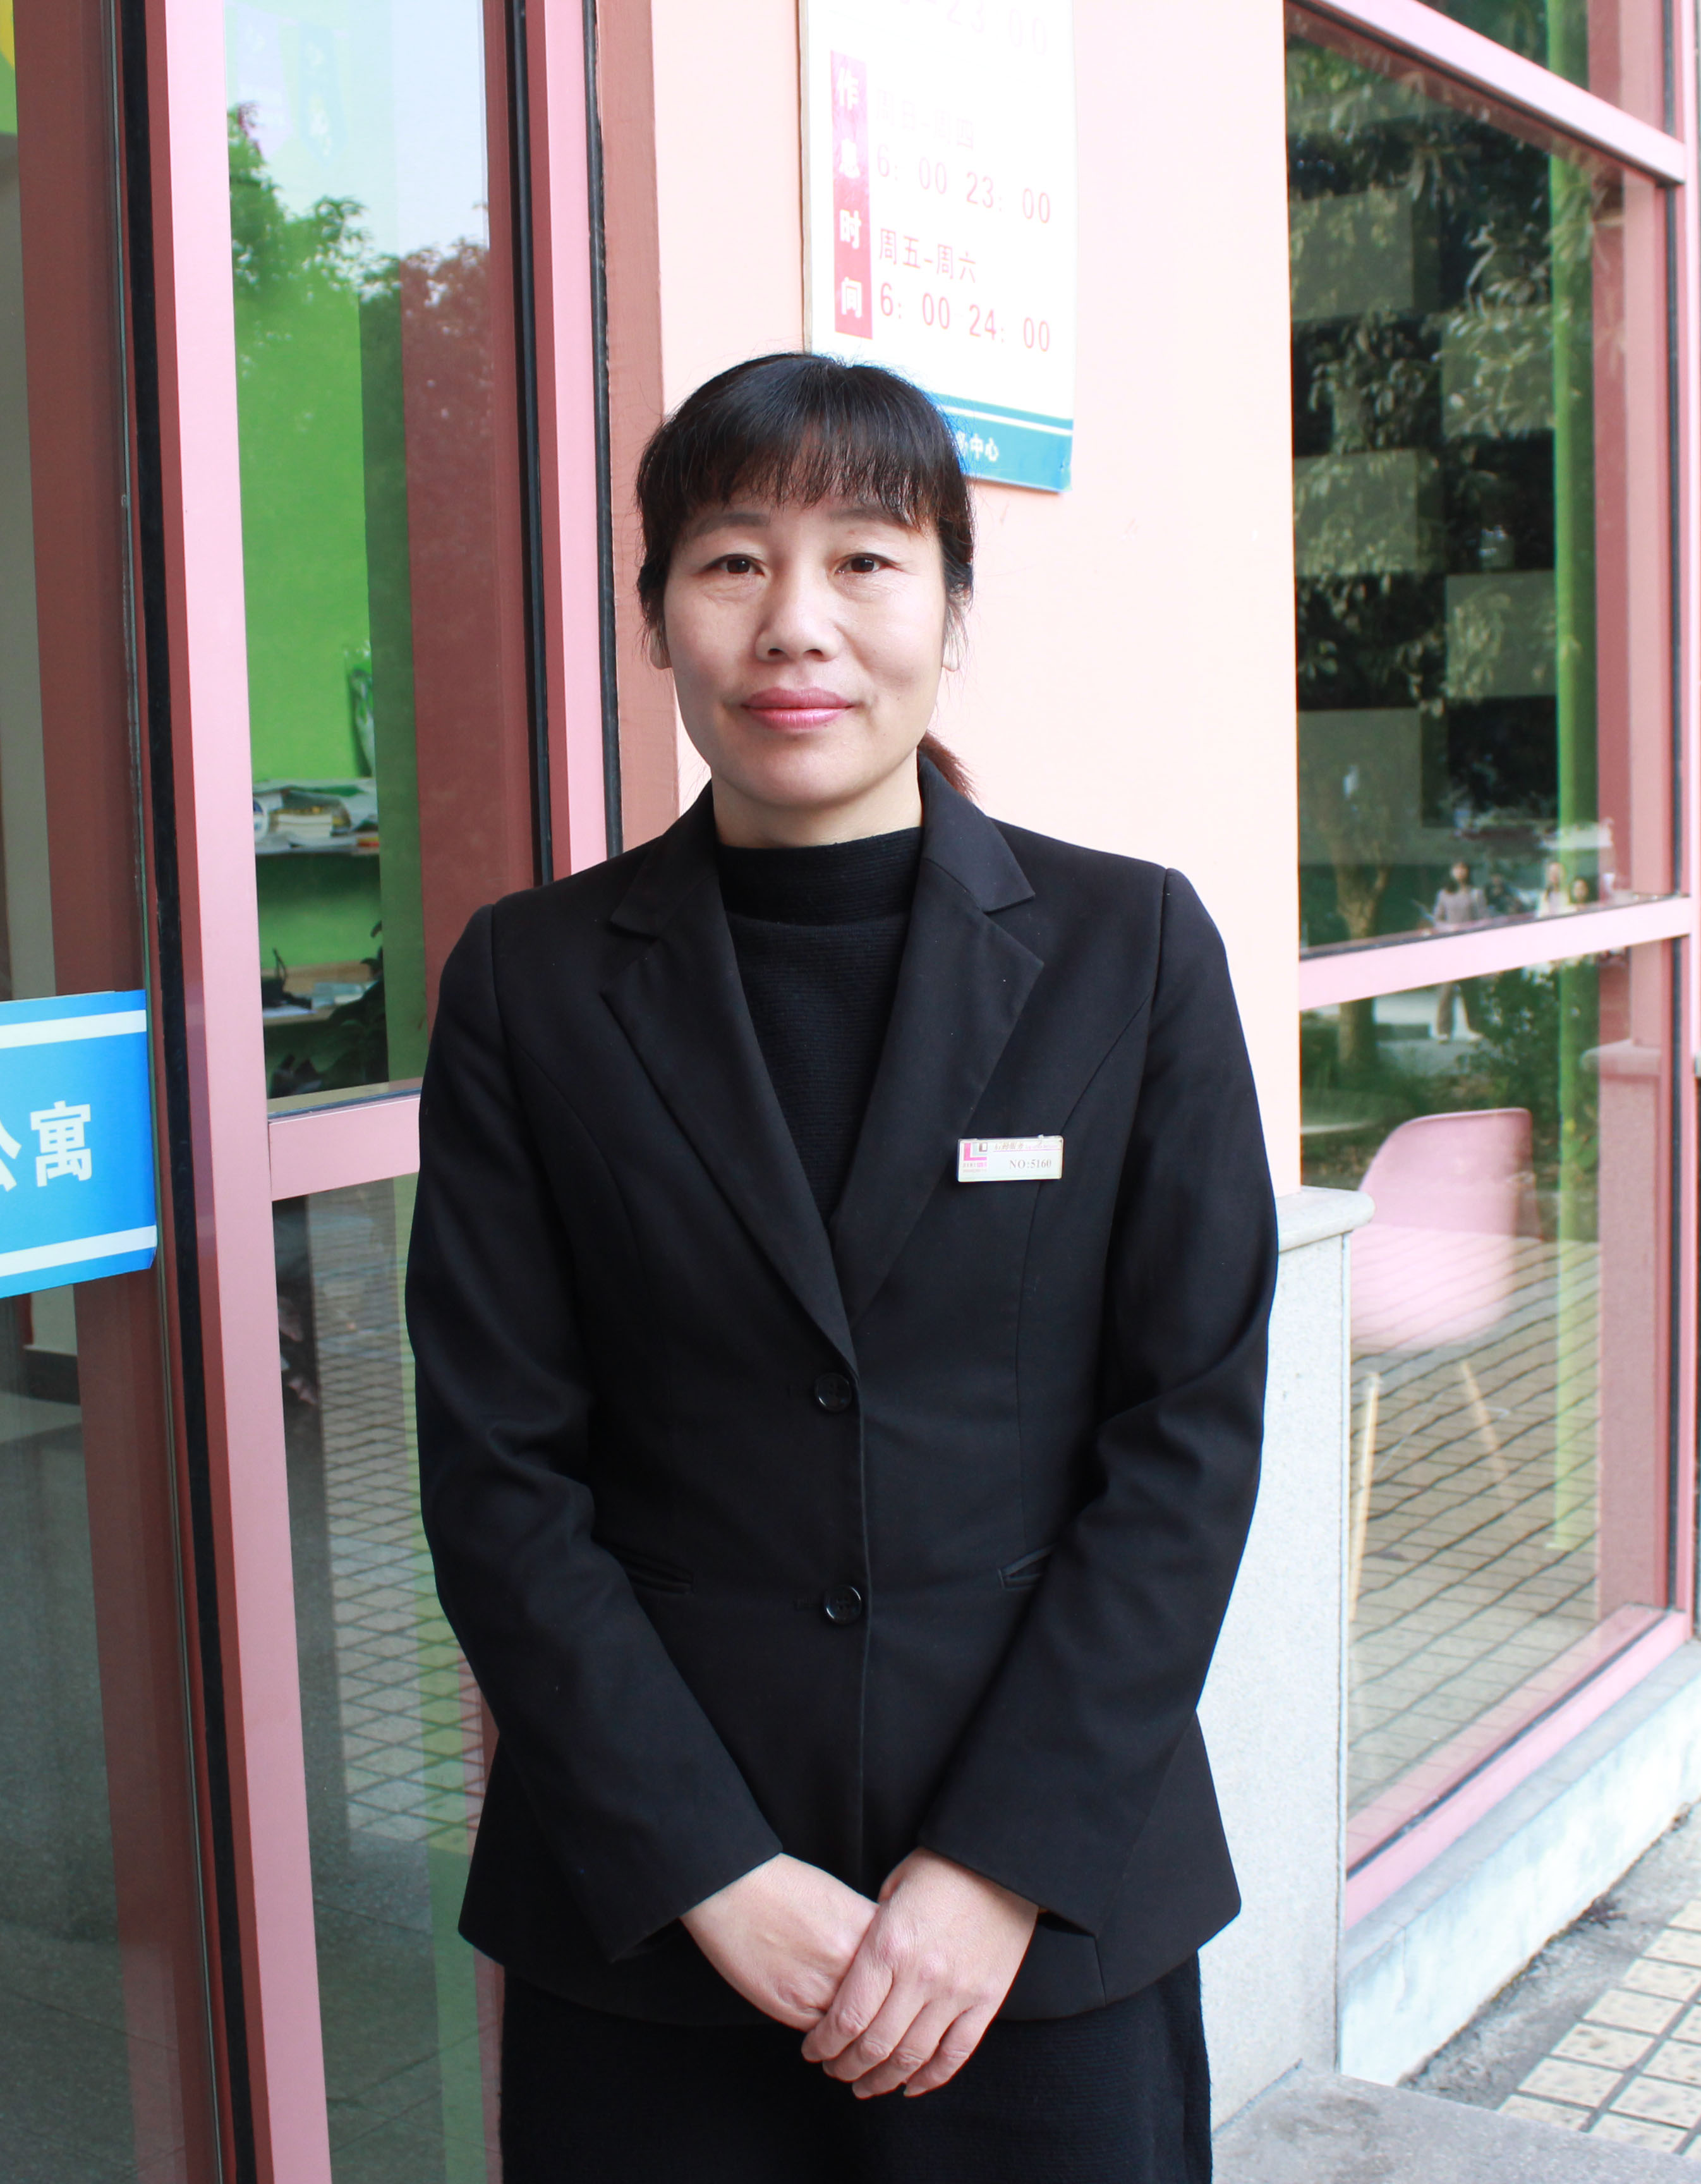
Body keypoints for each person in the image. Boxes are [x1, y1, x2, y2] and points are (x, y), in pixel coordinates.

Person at [405, 352, 1278, 2184]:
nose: (794, 622)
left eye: (864, 560)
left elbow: (1185, 1444)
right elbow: (497, 1473)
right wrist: (713, 1869)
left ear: (950, 605)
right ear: (657, 613)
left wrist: (991, 1869)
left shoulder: (1127, 950)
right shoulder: (529, 983)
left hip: (1042, 1931)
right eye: (731, 561)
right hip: (653, 1932)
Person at [1426, 858, 1489, 1038]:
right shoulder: (1444, 894)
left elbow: (1484, 920)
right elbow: (1437, 920)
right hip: (1449, 948)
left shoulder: (1475, 894)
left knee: (1471, 990)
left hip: (1469, 948)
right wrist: (1448, 928)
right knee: (1446, 991)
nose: (1460, 872)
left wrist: (1471, 929)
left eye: (1463, 868)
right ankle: (1444, 1031)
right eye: (1457, 868)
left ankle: (1475, 1029)